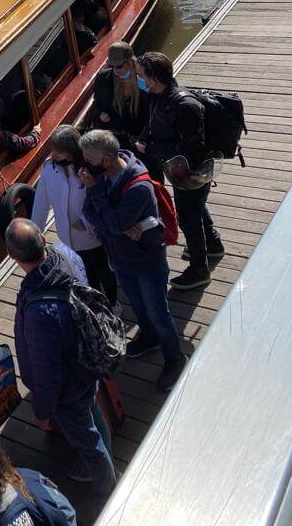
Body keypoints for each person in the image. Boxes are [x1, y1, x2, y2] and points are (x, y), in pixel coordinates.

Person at [5, 219, 116, 496]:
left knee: (88, 442)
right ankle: (107, 460)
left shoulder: (39, 314)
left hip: (67, 389)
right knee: (93, 416)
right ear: (43, 240)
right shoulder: (60, 259)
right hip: (84, 366)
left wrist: (42, 411)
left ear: (13, 257)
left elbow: (47, 373)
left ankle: (111, 489)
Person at [79, 130, 186, 393]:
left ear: (104, 160)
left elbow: (111, 221)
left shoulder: (138, 186)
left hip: (146, 261)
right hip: (121, 256)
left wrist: (108, 211)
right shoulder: (106, 174)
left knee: (159, 312)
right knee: (138, 306)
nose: (84, 168)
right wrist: (117, 224)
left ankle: (175, 358)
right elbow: (89, 213)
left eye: (88, 161)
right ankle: (149, 338)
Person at [136, 52, 223, 290]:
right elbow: (153, 123)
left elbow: (193, 146)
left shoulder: (185, 104)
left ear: (153, 77)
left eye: (141, 75)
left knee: (188, 217)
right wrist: (145, 139)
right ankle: (213, 244)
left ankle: (199, 269)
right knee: (194, 206)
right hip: (176, 169)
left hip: (193, 171)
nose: (139, 79)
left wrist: (153, 148)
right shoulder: (157, 95)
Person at [31, 125, 117, 305]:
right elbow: (41, 204)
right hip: (68, 239)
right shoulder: (48, 169)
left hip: (93, 236)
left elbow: (102, 198)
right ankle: (96, 307)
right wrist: (35, 233)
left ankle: (113, 304)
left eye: (59, 154)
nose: (54, 158)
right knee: (84, 275)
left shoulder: (90, 171)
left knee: (104, 272)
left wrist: (86, 222)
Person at [90, 42, 149, 149]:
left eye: (119, 66)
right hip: (112, 136)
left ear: (130, 62)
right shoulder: (104, 78)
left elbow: (149, 114)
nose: (115, 70)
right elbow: (96, 106)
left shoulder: (143, 80)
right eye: (112, 66)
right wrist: (100, 115)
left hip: (138, 138)